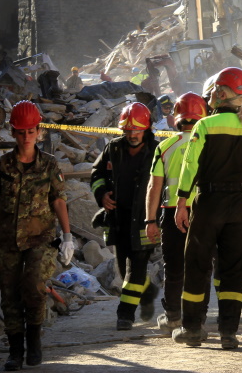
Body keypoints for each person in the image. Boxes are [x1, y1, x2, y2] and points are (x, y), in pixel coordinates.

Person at [171, 67, 242, 350]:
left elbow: (190, 167)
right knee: (232, 269)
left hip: (209, 203)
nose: (211, 93)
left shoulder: (204, 126)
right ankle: (228, 333)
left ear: (222, 93)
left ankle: (192, 330)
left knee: (197, 265)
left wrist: (182, 202)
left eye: (215, 89)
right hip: (237, 206)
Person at [0, 101, 73, 370]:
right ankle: (15, 350)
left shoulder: (49, 165)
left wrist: (67, 236)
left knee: (33, 286)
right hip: (7, 239)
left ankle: (34, 340)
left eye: (31, 131)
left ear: (38, 131)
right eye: (21, 132)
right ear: (13, 132)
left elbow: (58, 200)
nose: (26, 137)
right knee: (9, 294)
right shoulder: (2, 166)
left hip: (40, 238)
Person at [91, 101, 159, 331]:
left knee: (135, 268)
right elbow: (96, 173)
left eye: (137, 130)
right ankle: (144, 289)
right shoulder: (113, 148)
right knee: (123, 268)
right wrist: (101, 194)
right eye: (128, 130)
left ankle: (125, 314)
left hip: (144, 220)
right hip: (119, 220)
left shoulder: (157, 150)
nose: (132, 134)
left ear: (146, 128)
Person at [144, 91, 207, 333]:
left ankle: (173, 318)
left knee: (174, 269)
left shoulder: (165, 146)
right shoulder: (208, 143)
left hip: (171, 213)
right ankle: (198, 319)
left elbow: (154, 186)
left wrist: (150, 220)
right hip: (202, 213)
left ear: (178, 117)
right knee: (201, 267)